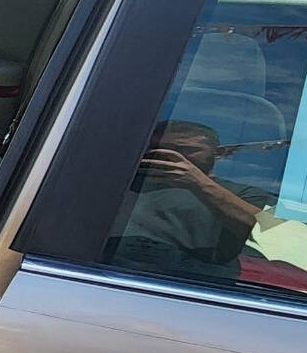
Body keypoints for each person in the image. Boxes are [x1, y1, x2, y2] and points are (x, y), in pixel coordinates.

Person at [106, 119, 275, 278]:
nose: (169, 155)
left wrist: (198, 183)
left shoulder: (244, 193)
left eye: (186, 150)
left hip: (194, 283)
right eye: (159, 148)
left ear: (218, 154)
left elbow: (267, 229)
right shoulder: (117, 183)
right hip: (107, 272)